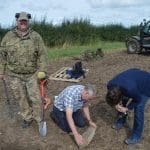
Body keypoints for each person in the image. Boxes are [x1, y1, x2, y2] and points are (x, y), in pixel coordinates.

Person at [0, 12, 50, 132]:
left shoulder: (36, 36)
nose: (23, 23)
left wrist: (42, 70)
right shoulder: (8, 36)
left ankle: (38, 118)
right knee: (20, 98)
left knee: (36, 98)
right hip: (14, 75)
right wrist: (1, 71)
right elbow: (2, 55)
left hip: (32, 74)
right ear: (16, 21)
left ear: (28, 22)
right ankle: (27, 117)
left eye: (25, 21)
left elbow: (42, 55)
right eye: (20, 21)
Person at [106, 68, 150, 144]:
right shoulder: (110, 85)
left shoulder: (130, 89)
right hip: (132, 78)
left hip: (146, 84)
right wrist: (117, 105)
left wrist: (127, 108)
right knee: (123, 102)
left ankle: (136, 135)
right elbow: (113, 99)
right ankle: (121, 121)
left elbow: (138, 99)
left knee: (138, 108)